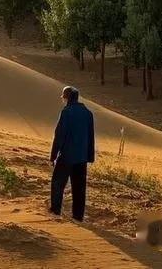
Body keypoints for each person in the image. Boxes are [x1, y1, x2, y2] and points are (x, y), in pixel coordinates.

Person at [49, 85, 95, 221]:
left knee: (58, 183)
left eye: (63, 96)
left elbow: (59, 135)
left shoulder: (67, 112)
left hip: (67, 156)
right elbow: (91, 137)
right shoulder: (88, 113)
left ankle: (55, 210)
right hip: (81, 158)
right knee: (79, 188)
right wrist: (90, 157)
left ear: (67, 97)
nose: (62, 99)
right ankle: (78, 216)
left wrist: (53, 156)